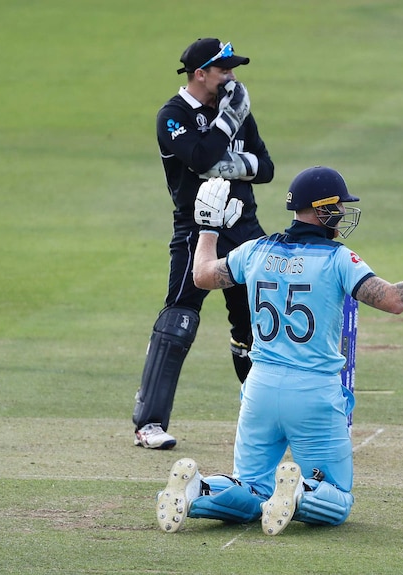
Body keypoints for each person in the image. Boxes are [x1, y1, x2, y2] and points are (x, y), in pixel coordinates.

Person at [155, 167, 403, 534]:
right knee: (337, 496)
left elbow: (202, 275)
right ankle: (301, 493)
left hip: (259, 388)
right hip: (313, 393)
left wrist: (208, 229)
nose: (342, 212)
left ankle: (200, 488)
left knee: (250, 486)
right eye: (338, 206)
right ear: (321, 210)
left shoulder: (256, 250)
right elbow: (394, 300)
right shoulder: (338, 258)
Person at [132, 38, 275, 449]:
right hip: (197, 228)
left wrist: (229, 160)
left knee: (254, 323)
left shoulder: (236, 111)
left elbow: (265, 167)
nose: (232, 77)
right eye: (224, 70)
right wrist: (228, 123)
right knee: (180, 318)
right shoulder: (173, 116)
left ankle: (261, 415)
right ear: (201, 73)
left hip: (245, 228)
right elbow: (198, 158)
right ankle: (149, 423)